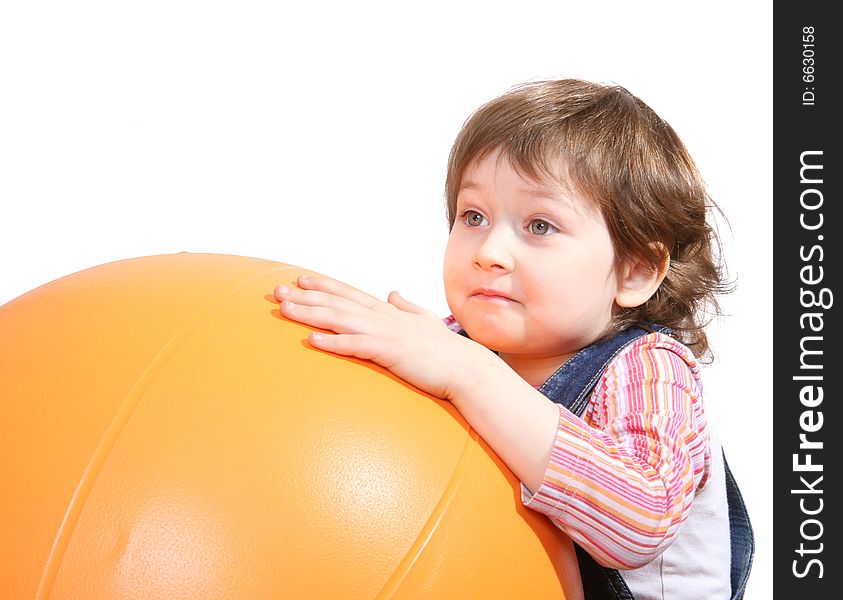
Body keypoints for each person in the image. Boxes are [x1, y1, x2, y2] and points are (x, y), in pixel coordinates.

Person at [274, 79, 753, 599]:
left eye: (540, 225)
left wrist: (471, 376)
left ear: (635, 272)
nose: (490, 251)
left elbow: (639, 520)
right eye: (473, 216)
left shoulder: (650, 370)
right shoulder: (454, 345)